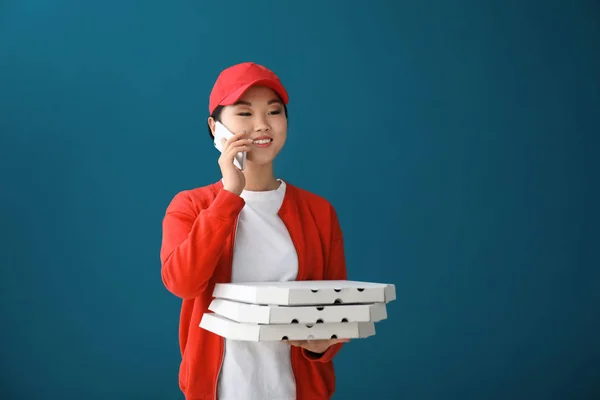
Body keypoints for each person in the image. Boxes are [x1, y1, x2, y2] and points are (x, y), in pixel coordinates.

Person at [160, 61, 348, 400]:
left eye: (274, 112)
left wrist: (322, 347)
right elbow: (182, 283)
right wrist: (229, 195)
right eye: (244, 114)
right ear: (215, 128)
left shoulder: (320, 212)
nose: (262, 125)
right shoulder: (190, 206)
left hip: (297, 391)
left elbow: (336, 313)